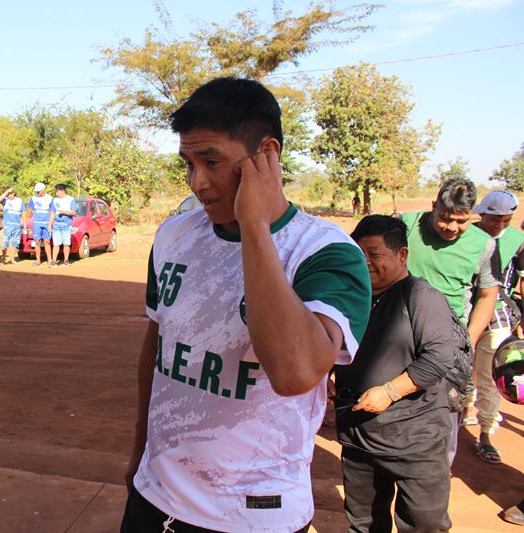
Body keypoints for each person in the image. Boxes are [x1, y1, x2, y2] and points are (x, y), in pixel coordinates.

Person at [121, 77, 371, 533]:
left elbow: (295, 372)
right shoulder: (174, 236)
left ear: (266, 155)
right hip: (154, 496)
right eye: (188, 163)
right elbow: (156, 353)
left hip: (252, 515)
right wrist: (141, 456)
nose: (198, 182)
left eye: (212, 161)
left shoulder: (325, 253)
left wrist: (253, 224)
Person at [334, 215, 453, 533]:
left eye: (374, 254)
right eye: (358, 254)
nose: (366, 263)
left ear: (401, 255)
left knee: (423, 524)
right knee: (364, 522)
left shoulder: (420, 297)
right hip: (359, 437)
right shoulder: (352, 298)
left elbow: (440, 356)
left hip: (415, 440)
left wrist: (388, 392)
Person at [400, 178, 499, 464]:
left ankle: (435, 486)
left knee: (444, 419)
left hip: (449, 341)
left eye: (461, 221)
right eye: (444, 218)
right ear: (433, 207)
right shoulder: (406, 226)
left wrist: (467, 340)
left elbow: (487, 296)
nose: (451, 227)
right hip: (399, 333)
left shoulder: (483, 244)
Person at [465, 190, 524, 464]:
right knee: (463, 365)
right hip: (465, 308)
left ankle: (486, 432)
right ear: (482, 214)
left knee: (491, 372)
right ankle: (462, 411)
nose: (499, 226)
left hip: (500, 311)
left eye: (506, 220)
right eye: (494, 219)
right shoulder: (468, 235)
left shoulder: (518, 242)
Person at [27, 182, 55, 267]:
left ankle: (49, 260)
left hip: (46, 223)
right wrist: (30, 214)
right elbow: (30, 209)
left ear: (43, 190)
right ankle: (38, 260)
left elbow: (52, 212)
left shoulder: (50, 198)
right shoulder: (33, 198)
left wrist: (50, 224)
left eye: (39, 191)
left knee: (47, 241)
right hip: (37, 223)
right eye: (36, 191)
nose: (37, 193)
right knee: (37, 241)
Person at [52, 184, 77, 266]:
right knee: (56, 244)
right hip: (56, 225)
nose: (56, 193)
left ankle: (66, 260)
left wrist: (64, 212)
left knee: (66, 243)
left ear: (61, 191)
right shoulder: (55, 200)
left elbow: (74, 212)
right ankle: (54, 261)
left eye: (57, 191)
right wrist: (50, 223)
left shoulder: (70, 199)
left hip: (66, 225)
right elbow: (52, 212)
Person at [0, 187, 25, 264]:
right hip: (8, 225)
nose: (9, 195)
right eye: (8, 194)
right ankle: (3, 259)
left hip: (17, 225)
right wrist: (7, 191)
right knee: (5, 242)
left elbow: (23, 212)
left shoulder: (19, 201)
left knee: (15, 243)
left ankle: (12, 259)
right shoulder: (5, 200)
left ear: (14, 193)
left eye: (11, 193)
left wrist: (23, 223)